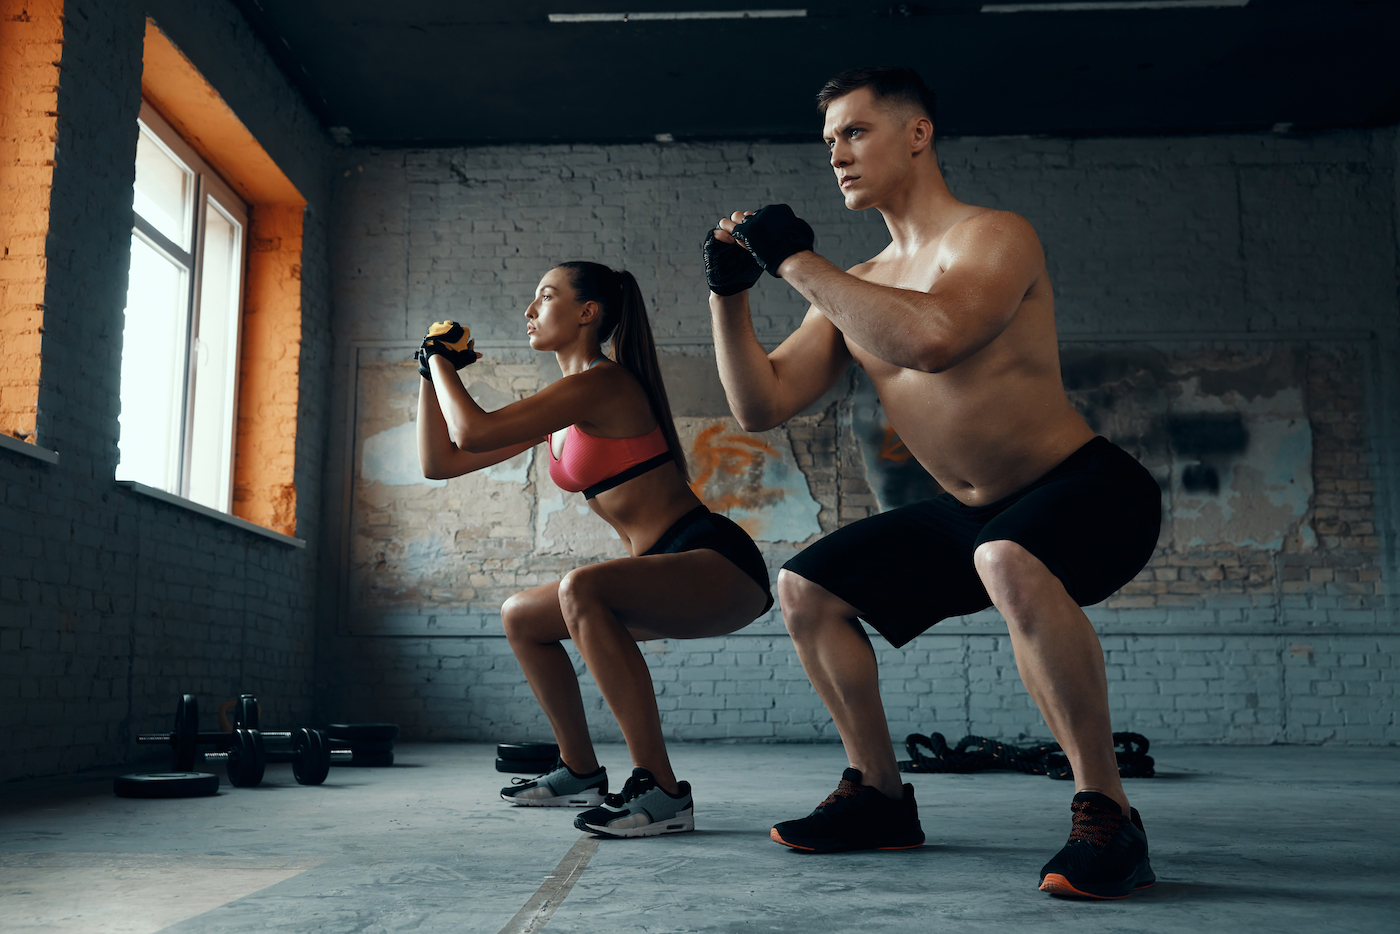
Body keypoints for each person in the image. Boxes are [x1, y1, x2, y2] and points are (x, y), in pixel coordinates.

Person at [704, 66, 1161, 898]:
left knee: (1006, 558)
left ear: (918, 134)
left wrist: (797, 260)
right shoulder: (858, 282)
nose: (836, 154)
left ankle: (1109, 811)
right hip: (976, 514)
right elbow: (760, 405)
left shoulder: (994, 237)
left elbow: (936, 339)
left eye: (854, 131)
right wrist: (729, 294)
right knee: (806, 588)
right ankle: (879, 797)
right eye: (828, 141)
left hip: (1092, 489)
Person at [416, 261, 772, 839]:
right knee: (522, 617)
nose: (530, 311)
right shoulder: (564, 406)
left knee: (581, 586)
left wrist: (439, 357)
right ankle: (579, 770)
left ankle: (662, 790)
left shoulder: (604, 383)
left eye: (545, 296)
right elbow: (442, 462)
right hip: (659, 568)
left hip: (715, 562)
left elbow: (474, 431)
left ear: (588, 313)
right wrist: (430, 378)